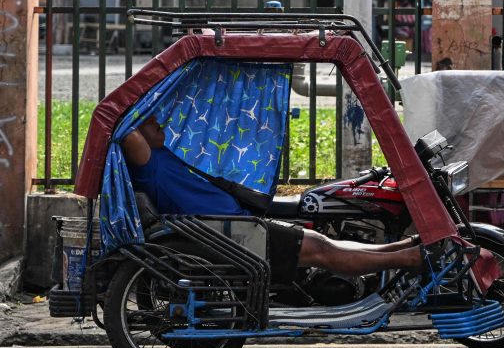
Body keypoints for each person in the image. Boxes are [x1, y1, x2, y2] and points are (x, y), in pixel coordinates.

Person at [121, 117, 424, 284]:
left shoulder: (162, 152)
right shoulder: (147, 164)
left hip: (237, 221)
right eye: (150, 118)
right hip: (228, 232)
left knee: (322, 242)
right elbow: (126, 127)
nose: (159, 120)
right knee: (320, 249)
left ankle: (399, 248)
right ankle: (409, 259)